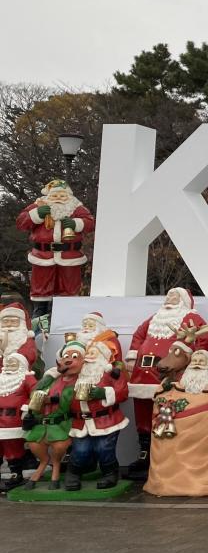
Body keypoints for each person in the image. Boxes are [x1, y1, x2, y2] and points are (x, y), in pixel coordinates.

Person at [126, 287, 208, 479]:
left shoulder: (191, 318)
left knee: (167, 412)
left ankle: (164, 454)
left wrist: (191, 357)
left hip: (165, 374)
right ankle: (145, 452)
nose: (170, 298)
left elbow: (205, 337)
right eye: (169, 295)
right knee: (142, 411)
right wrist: (132, 357)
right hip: (142, 375)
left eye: (175, 296)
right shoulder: (154, 318)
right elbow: (139, 335)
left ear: (183, 301)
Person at [144, 350, 208, 498]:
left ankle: (201, 482)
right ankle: (165, 482)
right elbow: (165, 391)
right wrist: (166, 389)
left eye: (201, 361)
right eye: (195, 361)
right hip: (172, 422)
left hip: (202, 427)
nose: (197, 364)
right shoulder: (182, 377)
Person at [14, 179, 95, 318]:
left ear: (68, 196)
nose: (58, 198)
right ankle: (40, 316)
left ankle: (67, 317)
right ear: (48, 195)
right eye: (55, 195)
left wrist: (76, 223)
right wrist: (36, 214)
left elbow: (91, 223)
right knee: (41, 289)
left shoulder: (76, 207)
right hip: (42, 256)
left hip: (69, 256)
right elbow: (21, 222)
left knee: (69, 289)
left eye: (62, 196)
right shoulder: (39, 205)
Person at [64, 337, 128, 491]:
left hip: (106, 420)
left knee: (104, 448)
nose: (90, 356)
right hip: (81, 421)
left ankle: (110, 473)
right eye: (88, 353)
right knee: (80, 450)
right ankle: (73, 472)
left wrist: (104, 393)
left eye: (94, 353)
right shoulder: (76, 374)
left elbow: (123, 392)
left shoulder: (111, 374)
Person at [22, 341, 84, 489]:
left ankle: (55, 469)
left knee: (59, 446)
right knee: (34, 444)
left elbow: (74, 403)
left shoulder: (80, 382)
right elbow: (34, 397)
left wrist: (54, 400)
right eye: (65, 356)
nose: (68, 360)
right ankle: (43, 464)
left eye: (74, 357)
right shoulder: (50, 380)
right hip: (42, 423)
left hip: (60, 424)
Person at [0, 353, 36, 491]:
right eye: (7, 362)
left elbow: (36, 393)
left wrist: (27, 407)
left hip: (13, 421)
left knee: (12, 448)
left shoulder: (27, 378)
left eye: (13, 362)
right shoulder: (1, 378)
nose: (9, 365)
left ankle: (16, 474)